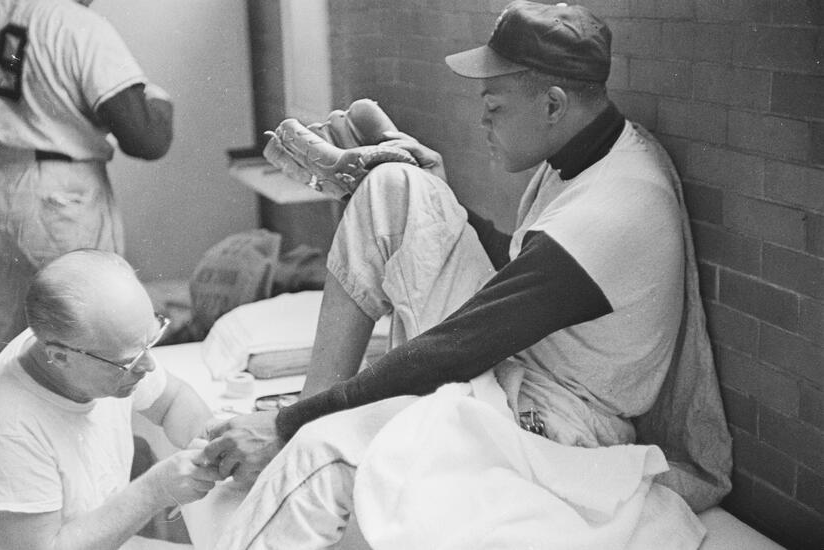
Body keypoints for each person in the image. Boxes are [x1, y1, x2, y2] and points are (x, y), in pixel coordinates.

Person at [201, 2, 731, 548]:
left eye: (494, 107)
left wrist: (290, 424)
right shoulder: (597, 149)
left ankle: (291, 431)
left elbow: (455, 348)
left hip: (560, 426)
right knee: (393, 188)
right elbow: (521, 267)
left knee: (324, 448)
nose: (483, 121)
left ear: (553, 104)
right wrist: (439, 190)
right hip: (526, 371)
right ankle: (303, 414)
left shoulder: (614, 210)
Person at [0, 0, 174, 420]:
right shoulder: (76, 23)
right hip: (57, 194)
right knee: (93, 349)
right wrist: (158, 99)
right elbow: (146, 139)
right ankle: (82, 456)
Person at [0, 249, 222, 550]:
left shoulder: (104, 348)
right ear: (60, 357)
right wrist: (155, 490)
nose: (148, 366)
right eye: (130, 361)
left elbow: (172, 401)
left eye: (150, 342)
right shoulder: (1, 429)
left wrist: (217, 446)